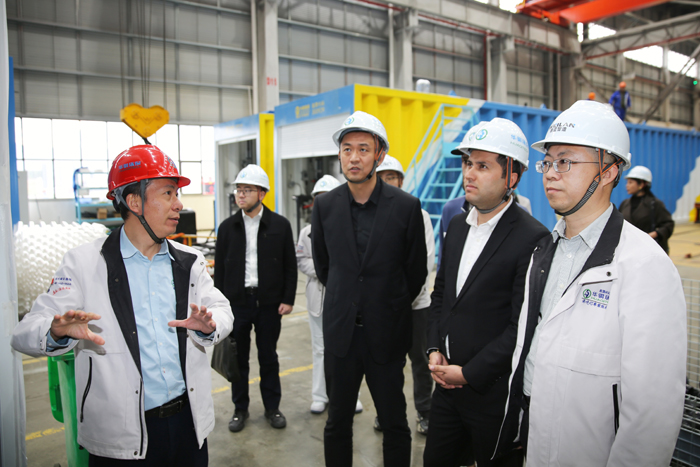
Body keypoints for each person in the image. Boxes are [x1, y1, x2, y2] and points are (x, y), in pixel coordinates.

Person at [11, 145, 234, 465]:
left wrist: (210, 327)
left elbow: (223, 310)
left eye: (177, 194)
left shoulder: (190, 262)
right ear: (134, 202)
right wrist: (56, 331)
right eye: (168, 193)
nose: (179, 204)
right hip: (119, 433)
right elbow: (24, 333)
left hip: (188, 424)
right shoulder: (83, 264)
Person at [495, 100, 686, 466]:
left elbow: (653, 412)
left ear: (608, 171)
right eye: (548, 162)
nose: (550, 173)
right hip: (534, 438)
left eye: (565, 161)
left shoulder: (644, 265)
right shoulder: (543, 251)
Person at [424, 119, 549, 467]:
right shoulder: (457, 226)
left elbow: (520, 327)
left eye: (482, 166)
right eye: (468, 163)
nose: (469, 173)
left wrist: (468, 374)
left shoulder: (532, 238)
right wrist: (434, 349)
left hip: (493, 395)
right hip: (445, 387)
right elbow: (441, 295)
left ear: (512, 177)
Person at [311, 111, 427, 467]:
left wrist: (386, 305)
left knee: (394, 423)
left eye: (363, 149)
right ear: (340, 154)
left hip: (387, 336)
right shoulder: (324, 206)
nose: (354, 157)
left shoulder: (406, 207)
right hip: (341, 337)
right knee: (337, 423)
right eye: (347, 149)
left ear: (379, 155)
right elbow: (325, 267)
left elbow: (415, 272)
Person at [214, 164, 297, 433]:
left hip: (269, 304)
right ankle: (240, 409)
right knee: (238, 359)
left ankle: (272, 408)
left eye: (247, 190)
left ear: (262, 194)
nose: (240, 194)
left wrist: (288, 298)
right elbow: (220, 270)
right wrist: (220, 304)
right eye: (239, 189)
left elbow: (290, 265)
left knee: (268, 357)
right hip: (237, 304)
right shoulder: (227, 228)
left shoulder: (280, 226)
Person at [374, 155, 435, 435]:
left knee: (420, 362)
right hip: (384, 307)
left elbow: (425, 262)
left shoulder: (419, 214)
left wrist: (401, 298)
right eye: (382, 178)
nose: (387, 183)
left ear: (401, 181)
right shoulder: (372, 215)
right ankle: (386, 412)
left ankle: (425, 411)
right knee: (387, 364)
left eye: (392, 177)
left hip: (417, 305)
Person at [296, 175, 364, 415]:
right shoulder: (306, 232)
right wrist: (327, 271)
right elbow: (302, 259)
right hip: (318, 297)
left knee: (349, 349)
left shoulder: (354, 228)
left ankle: (351, 396)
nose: (323, 203)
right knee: (320, 348)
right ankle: (319, 395)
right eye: (319, 198)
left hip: (346, 300)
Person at [618, 165, 674, 254]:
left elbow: (668, 225)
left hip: (648, 251)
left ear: (641, 184)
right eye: (627, 182)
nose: (627, 185)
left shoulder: (655, 204)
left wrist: (653, 235)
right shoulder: (625, 204)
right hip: (629, 250)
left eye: (630, 182)